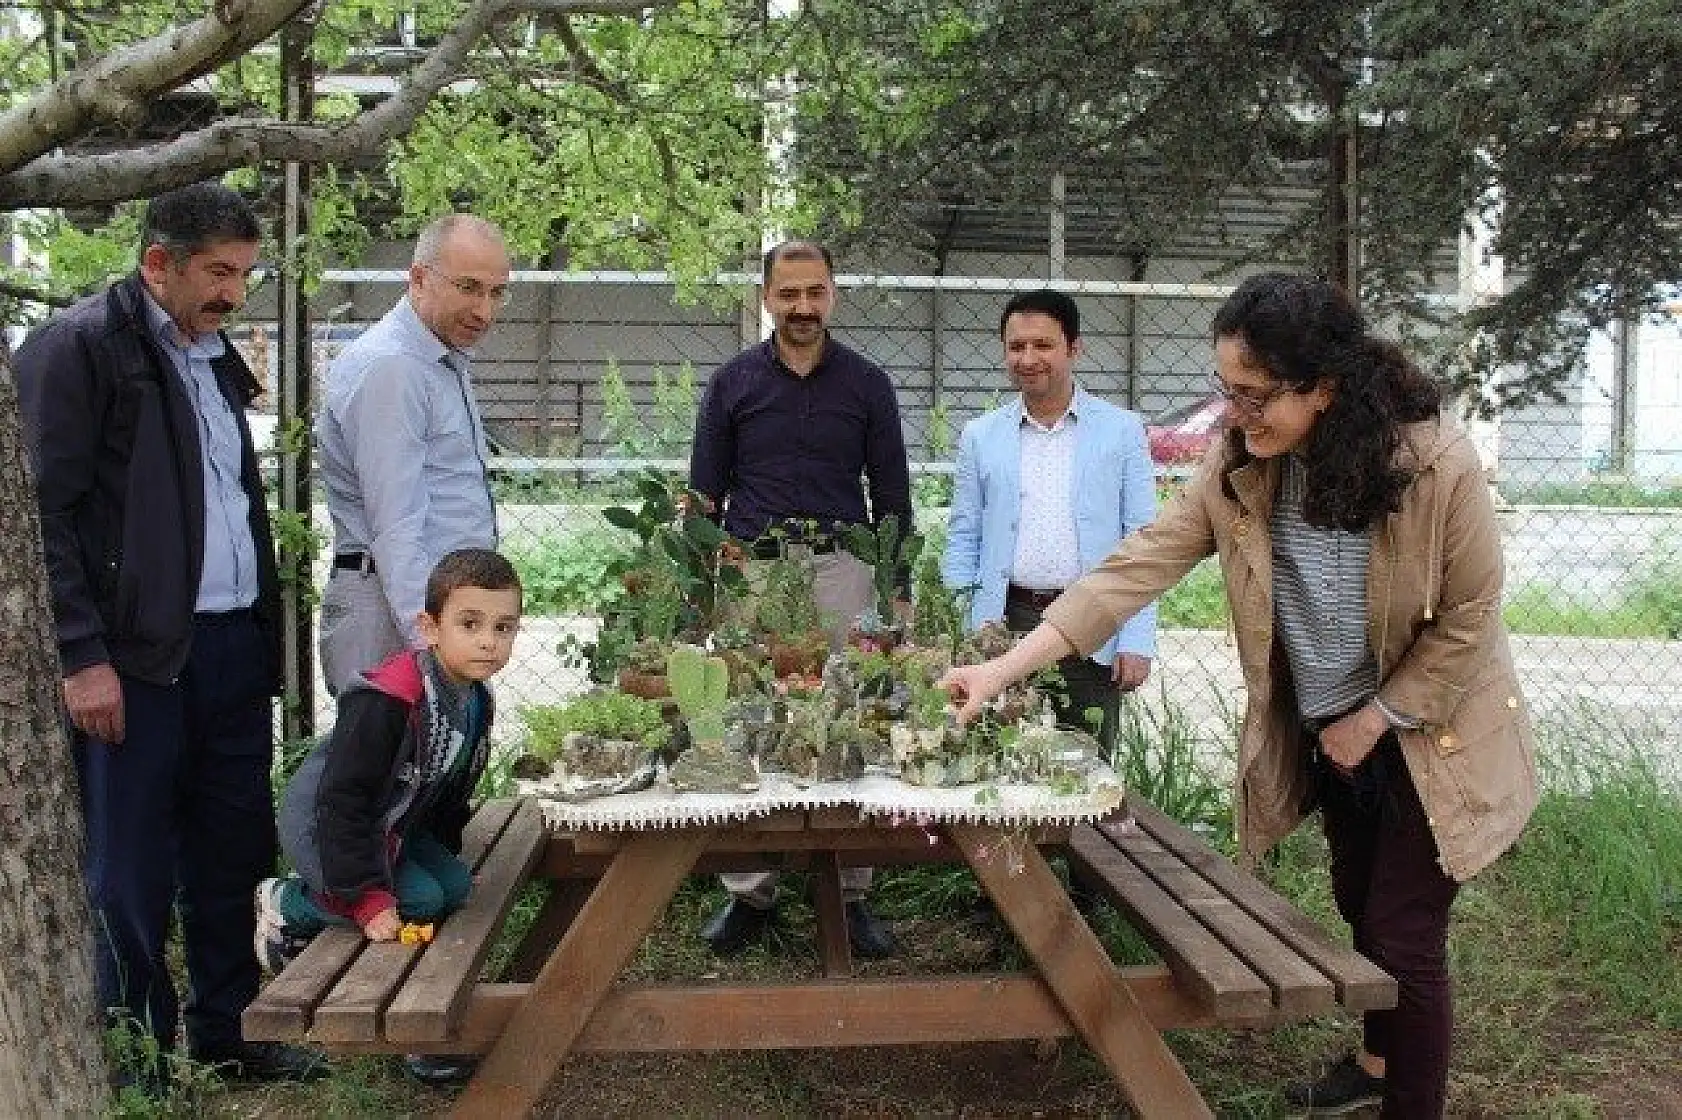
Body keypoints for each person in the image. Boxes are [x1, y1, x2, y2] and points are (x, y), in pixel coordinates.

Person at [939, 273, 1538, 1119]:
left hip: (1429, 729)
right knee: (1357, 901)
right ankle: (1373, 1070)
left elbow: (1473, 614)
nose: (1233, 413)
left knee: (1405, 938)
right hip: (1336, 729)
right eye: (1225, 390)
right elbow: (1130, 570)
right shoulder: (1239, 466)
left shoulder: (1434, 460)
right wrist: (1002, 670)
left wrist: (1375, 718)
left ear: (1323, 390)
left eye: (1254, 395)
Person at [15, 182, 322, 1084]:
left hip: (227, 648)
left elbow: (228, 504)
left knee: (232, 850)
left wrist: (263, 638)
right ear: (158, 263)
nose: (234, 291)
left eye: (245, 273)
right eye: (218, 273)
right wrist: (81, 657)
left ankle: (228, 1037)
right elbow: (43, 517)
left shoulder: (212, 353)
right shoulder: (79, 350)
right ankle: (139, 1062)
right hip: (134, 661)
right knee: (133, 870)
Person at [688, 238, 914, 959]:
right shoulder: (732, 384)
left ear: (833, 295)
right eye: (788, 294)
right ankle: (750, 892)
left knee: (856, 718)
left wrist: (898, 587)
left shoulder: (868, 386)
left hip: (844, 569)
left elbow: (894, 494)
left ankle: (851, 893)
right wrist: (699, 591)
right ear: (766, 298)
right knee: (746, 719)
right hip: (753, 571)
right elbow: (703, 492)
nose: (803, 308)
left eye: (815, 293)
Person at [255, 548, 522, 1084]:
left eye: (504, 627)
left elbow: (443, 788)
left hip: (389, 827)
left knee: (453, 888)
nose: (488, 641)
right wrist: (368, 898)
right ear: (430, 627)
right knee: (419, 899)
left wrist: (444, 848)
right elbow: (343, 801)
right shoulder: (390, 697)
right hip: (328, 829)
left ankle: (420, 989)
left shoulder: (474, 698)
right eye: (469, 624)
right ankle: (288, 905)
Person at [942, 289, 1156, 750]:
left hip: (1092, 622)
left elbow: (1144, 543)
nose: (1028, 358)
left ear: (1074, 348)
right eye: (1016, 347)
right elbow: (964, 535)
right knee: (995, 754)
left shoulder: (1121, 431)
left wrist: (1136, 637)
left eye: (1043, 345)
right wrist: (964, 621)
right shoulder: (981, 436)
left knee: (1086, 762)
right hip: (1001, 620)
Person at [315, 214, 506, 695]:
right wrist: (432, 647)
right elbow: (396, 525)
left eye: (496, 292)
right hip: (396, 613)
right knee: (390, 769)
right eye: (468, 287)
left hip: (428, 612)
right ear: (419, 278)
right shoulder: (394, 369)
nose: (483, 310)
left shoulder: (437, 360)